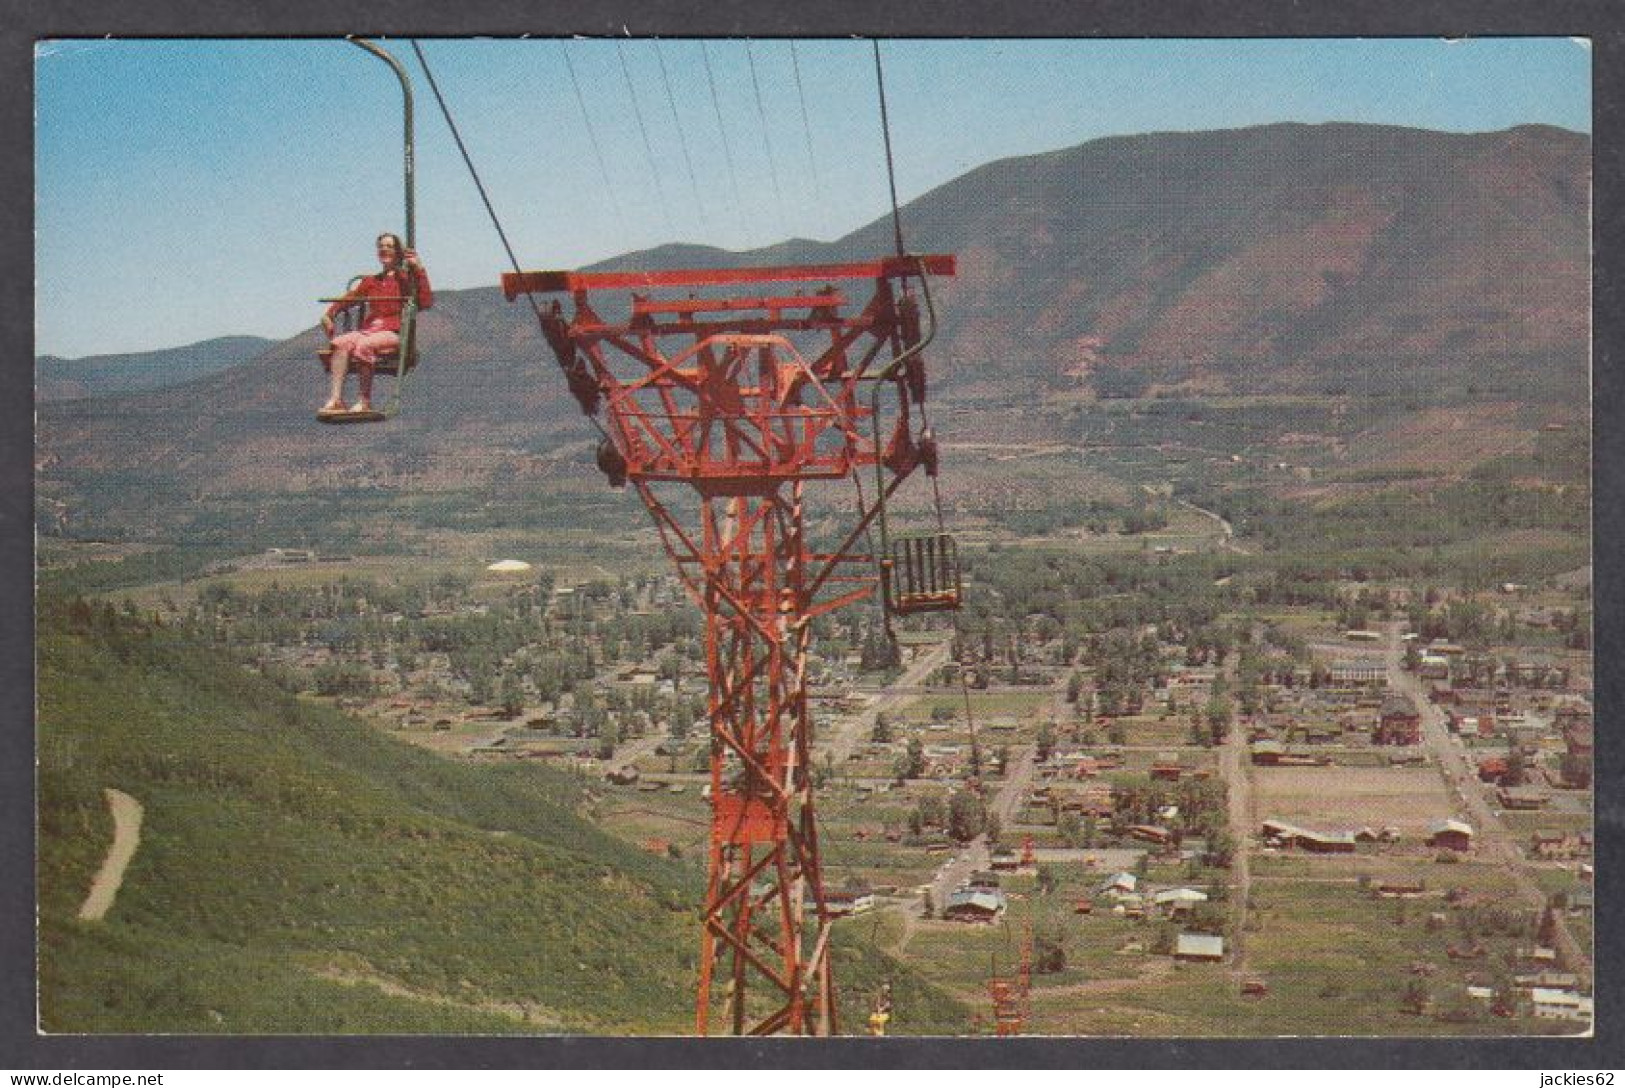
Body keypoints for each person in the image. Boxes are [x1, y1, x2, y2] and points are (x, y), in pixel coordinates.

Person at [319, 233, 432, 415]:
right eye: (381, 246)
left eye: (389, 246)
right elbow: (351, 298)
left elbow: (425, 301)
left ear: (398, 251)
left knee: (364, 346)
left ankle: (364, 400)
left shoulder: (406, 279)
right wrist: (330, 313)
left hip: (394, 332)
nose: (384, 249)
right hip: (370, 330)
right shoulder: (371, 282)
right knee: (339, 344)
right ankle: (336, 399)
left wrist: (419, 269)